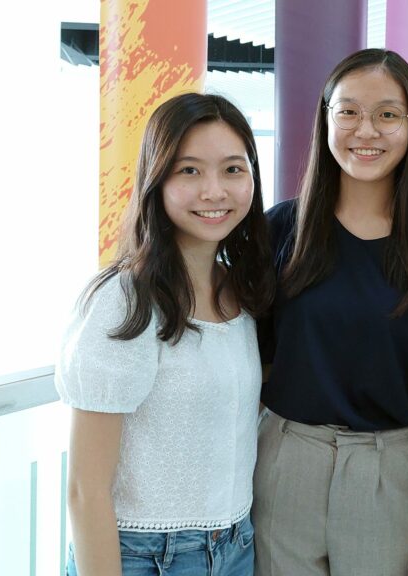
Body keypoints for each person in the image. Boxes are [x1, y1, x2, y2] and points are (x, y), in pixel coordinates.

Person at [253, 48, 408, 576]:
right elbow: (249, 358)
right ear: (326, 118)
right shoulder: (280, 230)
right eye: (349, 111)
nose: (367, 130)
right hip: (285, 462)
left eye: (387, 114)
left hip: (393, 473)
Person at [56, 93, 274, 576]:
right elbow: (84, 490)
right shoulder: (125, 299)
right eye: (189, 171)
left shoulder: (241, 288)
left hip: (236, 544)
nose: (214, 191)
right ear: (156, 181)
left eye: (233, 170)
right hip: (143, 555)